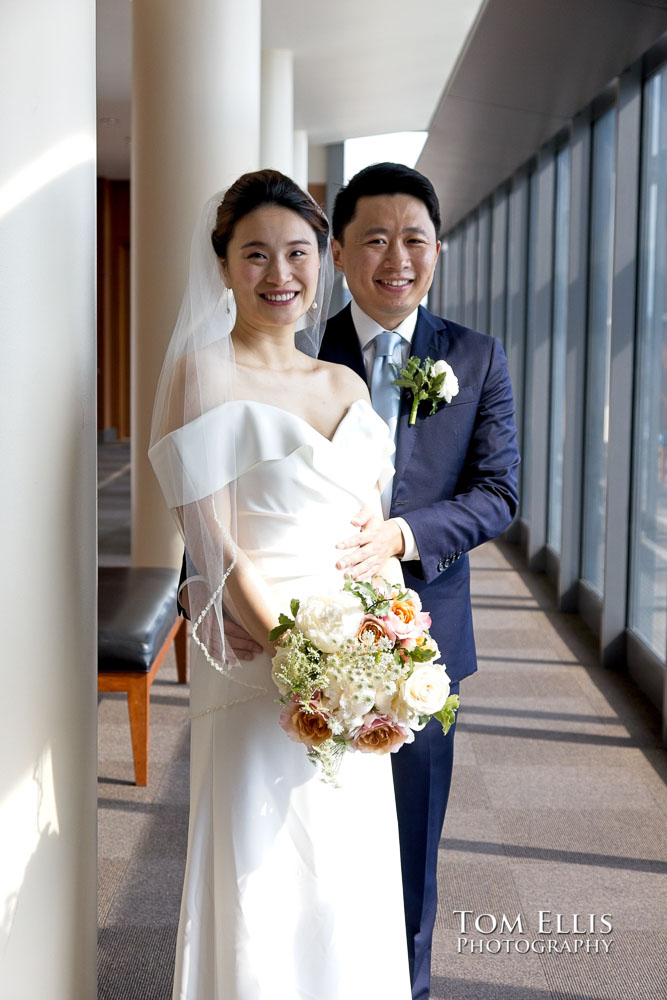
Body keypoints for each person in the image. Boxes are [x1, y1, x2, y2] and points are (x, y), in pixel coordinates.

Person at [149, 170, 412, 999]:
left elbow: (371, 536)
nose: (280, 275)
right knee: (265, 869)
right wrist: (303, 655)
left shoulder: (343, 384)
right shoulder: (202, 375)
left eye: (297, 252)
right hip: (264, 657)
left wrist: (390, 644)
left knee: (346, 870)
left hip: (360, 667)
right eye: (255, 254)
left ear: (320, 262)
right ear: (223, 266)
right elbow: (214, 543)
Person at [318, 162, 520, 999]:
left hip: (425, 645)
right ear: (336, 252)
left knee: (409, 842)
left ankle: (408, 987)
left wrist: (402, 535)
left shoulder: (474, 357)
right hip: (312, 633)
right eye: (373, 238)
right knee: (315, 834)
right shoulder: (297, 351)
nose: (396, 257)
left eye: (414, 238)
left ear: (438, 247)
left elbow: (498, 492)